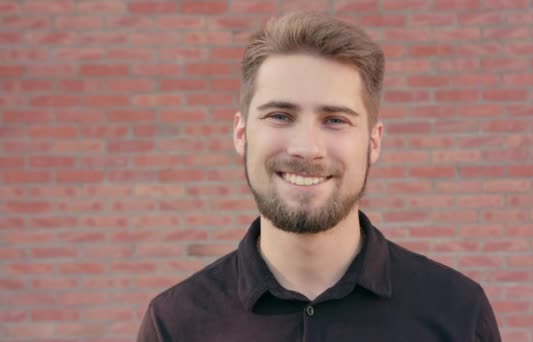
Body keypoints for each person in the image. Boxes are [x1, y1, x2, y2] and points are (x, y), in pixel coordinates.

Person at [137, 12, 501, 341]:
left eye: (335, 120)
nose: (307, 148)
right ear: (240, 132)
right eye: (280, 115)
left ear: (373, 142)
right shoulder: (175, 324)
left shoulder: (458, 314)